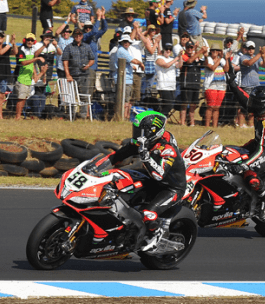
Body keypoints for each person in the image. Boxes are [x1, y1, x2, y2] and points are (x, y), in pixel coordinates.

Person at [106, 110, 186, 251]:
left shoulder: (167, 149)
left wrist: (146, 157)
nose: (137, 134)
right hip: (151, 179)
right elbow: (122, 153)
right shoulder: (146, 140)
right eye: (136, 130)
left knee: (148, 214)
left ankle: (155, 236)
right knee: (117, 182)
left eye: (141, 131)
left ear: (153, 131)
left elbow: (159, 175)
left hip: (170, 188)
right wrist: (102, 164)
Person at [223, 81, 265, 222]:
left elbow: (262, 150)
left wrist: (244, 165)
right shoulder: (261, 109)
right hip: (256, 145)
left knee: (250, 175)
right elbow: (244, 98)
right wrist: (232, 83)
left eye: (256, 103)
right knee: (228, 153)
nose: (252, 105)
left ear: (264, 106)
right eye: (253, 102)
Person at [62, 28, 95, 119]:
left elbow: (92, 59)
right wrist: (68, 74)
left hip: (84, 75)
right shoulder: (69, 47)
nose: (78, 37)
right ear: (73, 36)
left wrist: (88, 65)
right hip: (73, 75)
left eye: (80, 35)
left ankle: (83, 115)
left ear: (82, 36)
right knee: (71, 97)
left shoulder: (87, 46)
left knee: (84, 96)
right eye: (76, 35)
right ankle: (71, 115)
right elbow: (65, 61)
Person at [114, 34, 144, 120]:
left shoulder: (124, 51)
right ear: (122, 42)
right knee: (125, 100)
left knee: (127, 99)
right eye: (124, 41)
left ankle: (125, 117)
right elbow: (133, 60)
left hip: (127, 78)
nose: (126, 43)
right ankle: (123, 117)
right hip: (124, 79)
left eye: (128, 42)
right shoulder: (122, 50)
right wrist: (141, 63)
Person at [238, 41, 265, 127]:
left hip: (256, 85)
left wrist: (263, 57)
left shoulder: (257, 57)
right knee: (244, 106)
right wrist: (259, 54)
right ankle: (241, 124)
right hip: (246, 85)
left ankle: (251, 124)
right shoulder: (243, 57)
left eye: (252, 48)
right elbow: (249, 63)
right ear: (246, 49)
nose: (251, 50)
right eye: (249, 48)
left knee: (254, 107)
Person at [14, 33, 44, 120]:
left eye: (31, 40)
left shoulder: (32, 49)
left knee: (24, 99)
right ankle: (18, 116)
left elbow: (32, 63)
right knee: (21, 98)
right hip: (21, 78)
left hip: (28, 79)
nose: (30, 42)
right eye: (28, 40)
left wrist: (35, 73)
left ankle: (19, 116)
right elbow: (23, 63)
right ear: (25, 40)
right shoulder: (22, 49)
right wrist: (36, 59)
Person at [177, 41, 206, 126]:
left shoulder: (197, 57)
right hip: (187, 84)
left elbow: (203, 65)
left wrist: (205, 54)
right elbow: (189, 61)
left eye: (191, 47)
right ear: (185, 48)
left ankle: (192, 123)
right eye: (188, 47)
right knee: (185, 104)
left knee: (193, 105)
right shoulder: (183, 56)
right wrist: (199, 51)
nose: (190, 49)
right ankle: (182, 122)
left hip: (195, 84)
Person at [82, 7, 108, 99]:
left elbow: (104, 29)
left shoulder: (94, 37)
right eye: (86, 27)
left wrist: (103, 16)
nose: (88, 29)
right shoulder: (84, 37)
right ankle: (85, 111)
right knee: (86, 90)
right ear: (84, 28)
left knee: (91, 90)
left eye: (90, 27)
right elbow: (94, 31)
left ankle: (88, 111)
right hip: (87, 67)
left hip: (94, 67)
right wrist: (98, 18)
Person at [203, 42, 229, 127]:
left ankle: (214, 125)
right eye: (213, 50)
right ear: (211, 51)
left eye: (217, 50)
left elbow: (227, 69)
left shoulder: (222, 60)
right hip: (210, 85)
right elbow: (212, 68)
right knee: (210, 106)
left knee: (217, 107)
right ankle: (207, 125)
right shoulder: (208, 59)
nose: (215, 52)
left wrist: (226, 59)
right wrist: (220, 59)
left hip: (221, 86)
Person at [155, 42, 182, 116]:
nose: (168, 51)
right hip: (163, 86)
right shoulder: (159, 58)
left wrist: (180, 56)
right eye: (167, 49)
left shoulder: (172, 59)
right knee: (169, 105)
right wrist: (176, 58)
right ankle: (161, 118)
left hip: (171, 86)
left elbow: (180, 65)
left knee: (167, 104)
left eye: (170, 49)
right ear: (163, 50)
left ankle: (163, 120)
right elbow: (166, 65)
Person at [140, 24, 161, 99]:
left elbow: (158, 52)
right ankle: (143, 98)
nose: (154, 31)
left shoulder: (153, 40)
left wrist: (157, 43)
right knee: (147, 82)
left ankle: (147, 97)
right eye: (152, 30)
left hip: (154, 62)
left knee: (150, 83)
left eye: (154, 30)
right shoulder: (147, 40)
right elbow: (151, 51)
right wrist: (156, 43)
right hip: (149, 62)